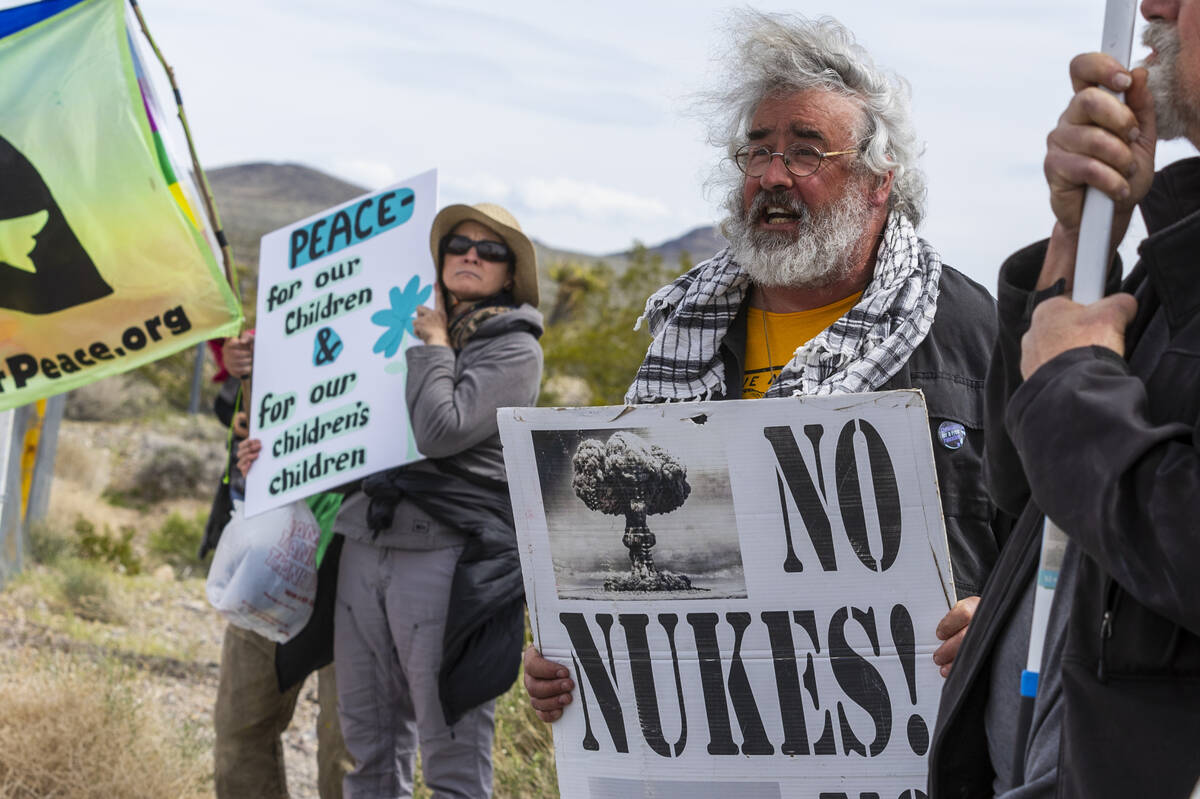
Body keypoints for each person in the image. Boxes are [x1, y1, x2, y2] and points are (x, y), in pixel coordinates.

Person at [524, 10, 1005, 721]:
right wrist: (573, 650)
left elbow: (1054, 543)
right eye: (758, 150)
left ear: (879, 182)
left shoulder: (970, 330)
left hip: (921, 739)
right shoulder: (687, 329)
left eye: (807, 151)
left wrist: (998, 622)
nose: (773, 175)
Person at [929, 1, 1200, 796]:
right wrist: (1078, 248)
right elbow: (1033, 491)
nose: (1153, 7)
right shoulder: (1181, 258)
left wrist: (1073, 391)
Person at [239, 202, 543, 798]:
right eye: (458, 244)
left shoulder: (514, 351)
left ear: (510, 274)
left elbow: (440, 430)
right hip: (365, 543)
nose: (472, 256)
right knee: (368, 746)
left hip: (444, 557)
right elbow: (346, 428)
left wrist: (430, 346)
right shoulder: (395, 333)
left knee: (449, 748)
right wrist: (273, 458)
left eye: (491, 250)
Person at [207, 331, 352, 799]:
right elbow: (241, 418)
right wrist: (240, 372)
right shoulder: (291, 307)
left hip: (363, 564)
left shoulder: (407, 314)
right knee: (239, 731)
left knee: (349, 750)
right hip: (276, 560)